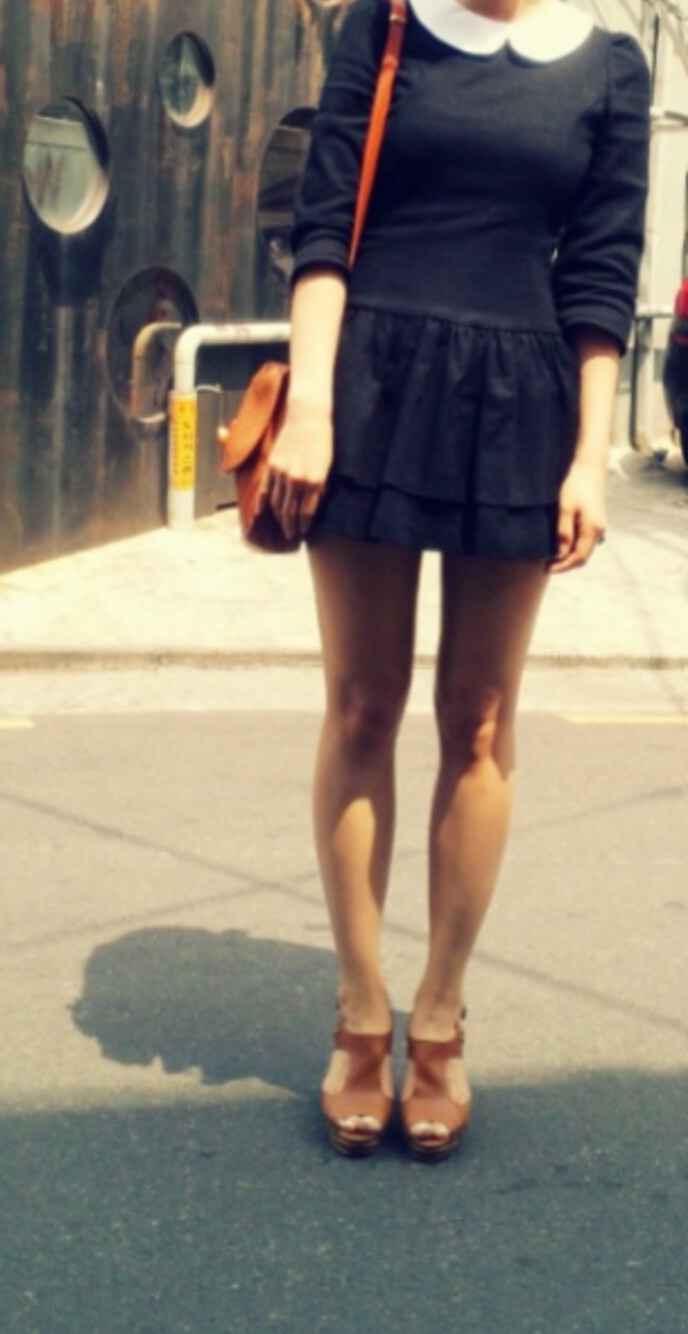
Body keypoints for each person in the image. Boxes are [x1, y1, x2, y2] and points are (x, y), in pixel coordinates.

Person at [268, 0, 650, 1159]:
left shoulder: (608, 65)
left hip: (518, 404)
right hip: (372, 386)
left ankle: (439, 1012)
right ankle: (359, 1008)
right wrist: (311, 406)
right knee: (360, 704)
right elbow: (323, 228)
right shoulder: (386, 24)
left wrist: (589, 456)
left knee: (478, 721)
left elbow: (599, 274)